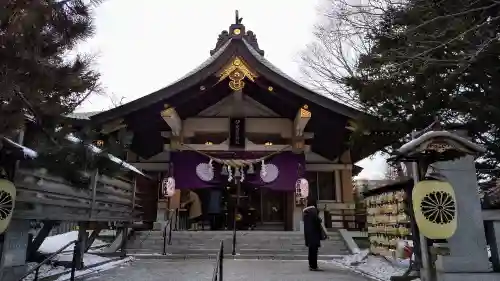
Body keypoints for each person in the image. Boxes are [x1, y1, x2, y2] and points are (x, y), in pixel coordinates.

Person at [303, 197, 324, 271]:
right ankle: (314, 266)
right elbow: (318, 220)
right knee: (314, 251)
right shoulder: (313, 210)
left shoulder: (306, 212)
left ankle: (311, 265)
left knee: (310, 250)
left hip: (308, 233)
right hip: (314, 233)